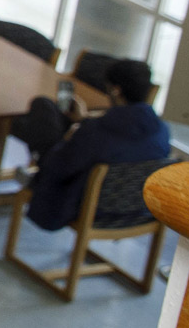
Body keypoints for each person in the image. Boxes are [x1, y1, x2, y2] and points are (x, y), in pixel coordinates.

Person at [23, 59, 173, 232]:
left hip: (85, 205)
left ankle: (27, 177)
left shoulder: (95, 131)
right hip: (138, 209)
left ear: (116, 90)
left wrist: (69, 138)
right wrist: (85, 121)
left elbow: (57, 167)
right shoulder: (162, 131)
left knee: (43, 106)